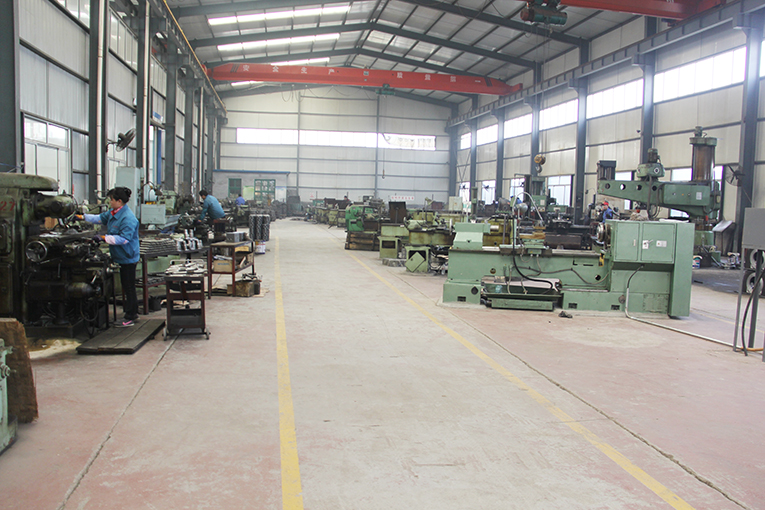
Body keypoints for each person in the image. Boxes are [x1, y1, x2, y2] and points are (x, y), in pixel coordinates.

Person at [75, 187, 140, 327]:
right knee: (127, 286)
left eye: (111, 199)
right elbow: (99, 218)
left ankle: (131, 316)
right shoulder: (113, 213)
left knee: (129, 287)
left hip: (127, 256)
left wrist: (104, 238)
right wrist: (82, 217)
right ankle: (131, 313)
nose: (109, 202)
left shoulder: (128, 218)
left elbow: (124, 239)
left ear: (119, 201)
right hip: (120, 255)